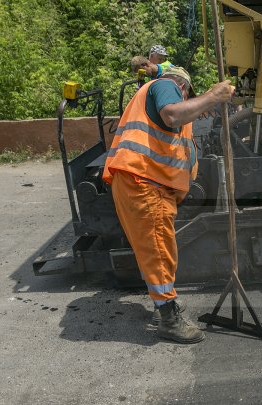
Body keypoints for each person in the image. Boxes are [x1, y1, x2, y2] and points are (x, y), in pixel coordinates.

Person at [102, 66, 234, 343]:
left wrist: (202, 108)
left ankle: (164, 304)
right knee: (159, 250)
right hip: (144, 181)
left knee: (156, 248)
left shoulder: (162, 96)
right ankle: (168, 319)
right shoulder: (166, 85)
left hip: (144, 182)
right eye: (189, 96)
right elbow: (172, 113)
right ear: (183, 87)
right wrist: (212, 96)